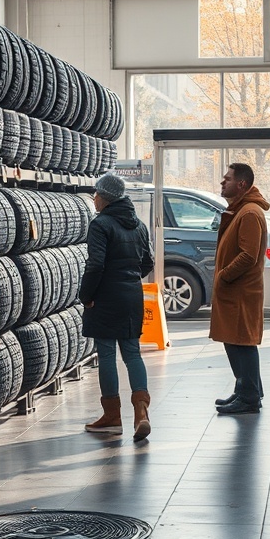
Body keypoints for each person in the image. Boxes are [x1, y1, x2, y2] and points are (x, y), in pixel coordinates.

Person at [79, 173, 155, 440]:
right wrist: (129, 277)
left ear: (106, 197)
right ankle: (141, 414)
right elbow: (148, 263)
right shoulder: (139, 226)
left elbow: (95, 264)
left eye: (97, 194)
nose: (95, 198)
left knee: (108, 354)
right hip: (132, 295)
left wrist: (85, 295)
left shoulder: (100, 224)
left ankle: (112, 417)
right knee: (133, 353)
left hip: (106, 297)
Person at [211, 163, 270, 415]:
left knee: (242, 343)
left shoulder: (248, 213)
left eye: (227, 179)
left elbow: (248, 255)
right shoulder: (241, 210)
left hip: (240, 292)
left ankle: (248, 396)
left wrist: (224, 275)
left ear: (242, 184)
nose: (223, 183)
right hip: (235, 292)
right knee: (236, 341)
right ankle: (246, 389)